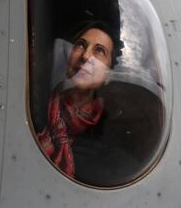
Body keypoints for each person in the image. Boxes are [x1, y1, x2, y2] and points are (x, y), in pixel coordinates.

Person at [37, 20, 123, 178]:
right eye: (80, 45)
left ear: (107, 75)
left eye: (99, 51)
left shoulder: (108, 139)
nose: (85, 56)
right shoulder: (34, 104)